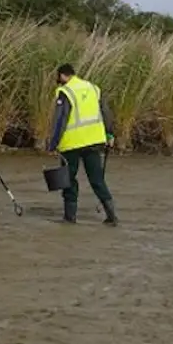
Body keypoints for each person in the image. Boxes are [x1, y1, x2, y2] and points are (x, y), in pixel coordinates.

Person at [46, 63, 117, 225]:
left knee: (68, 179)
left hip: (71, 143)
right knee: (97, 179)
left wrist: (53, 144)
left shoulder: (65, 92)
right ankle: (112, 216)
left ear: (63, 76)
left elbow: (60, 120)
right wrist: (110, 133)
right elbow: (106, 112)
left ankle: (69, 218)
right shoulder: (93, 88)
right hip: (94, 141)